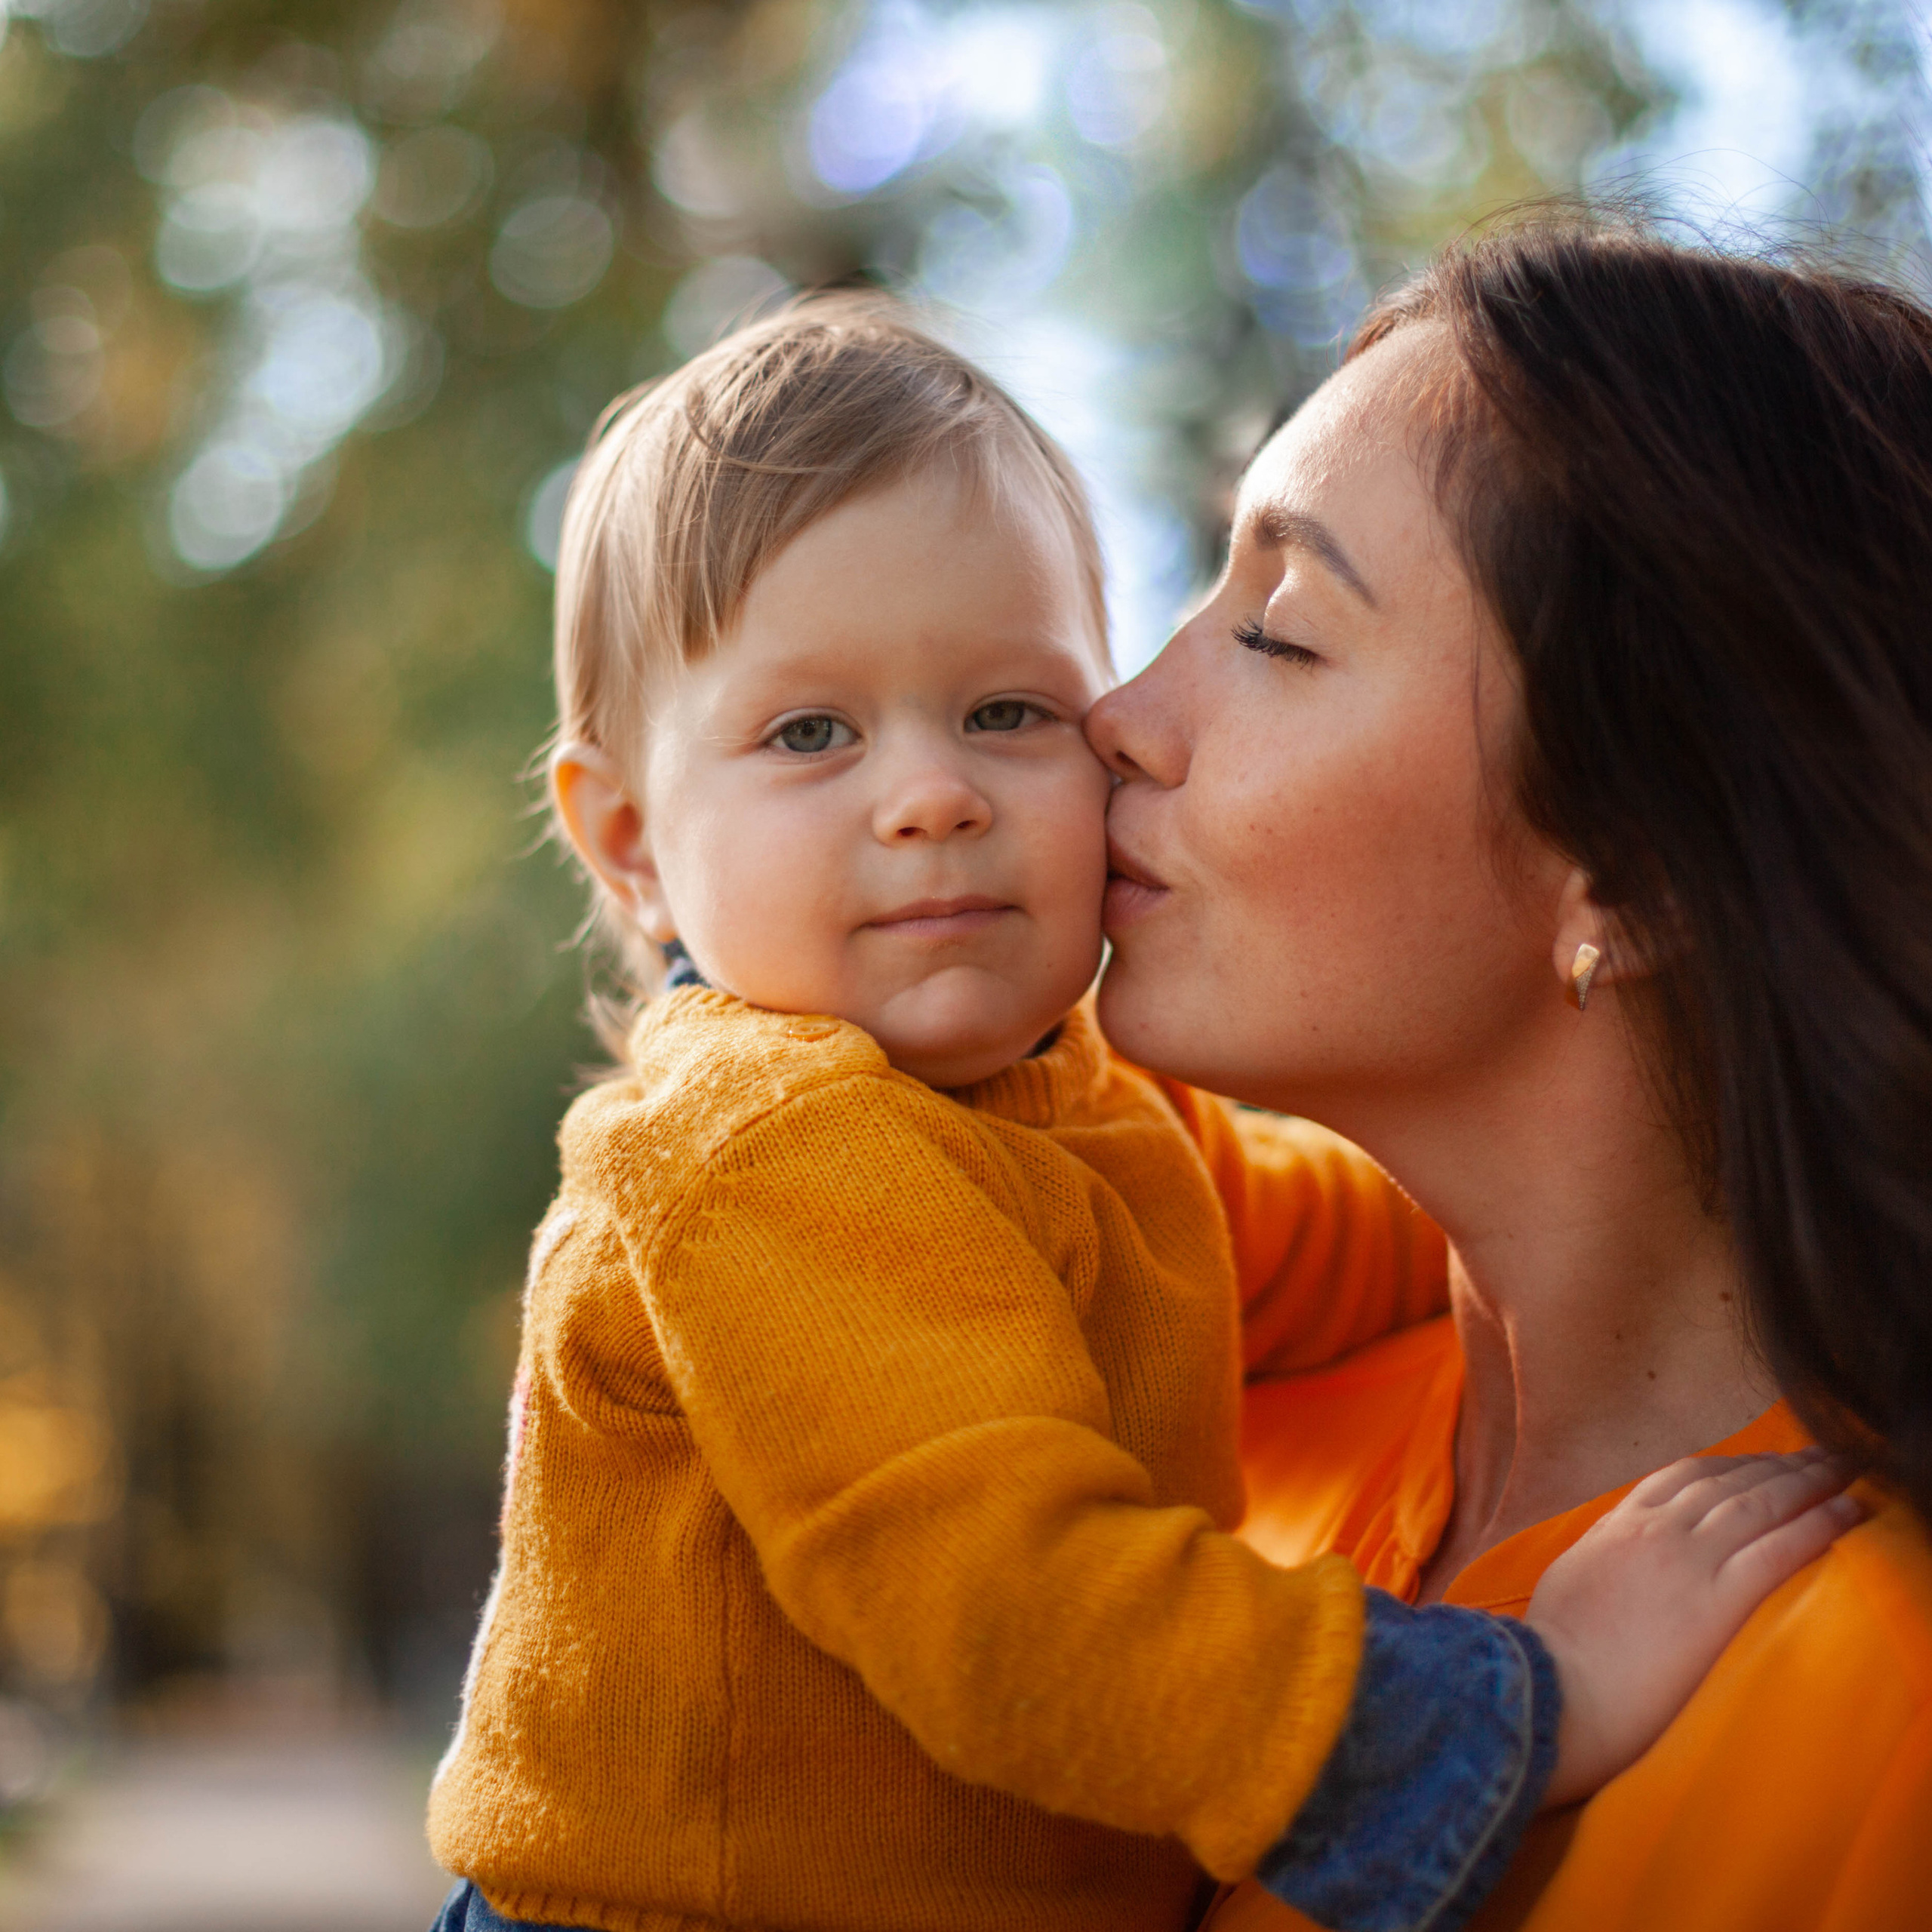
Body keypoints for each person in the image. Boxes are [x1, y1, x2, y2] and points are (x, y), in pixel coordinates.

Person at [421, 296, 1851, 1932]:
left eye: (1008, 711)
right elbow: (1019, 1608)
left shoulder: (1059, 1113)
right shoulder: (765, 1148)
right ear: (627, 840)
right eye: (809, 731)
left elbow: (1335, 1246)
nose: (933, 792)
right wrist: (1528, 1696)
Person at [1084, 214, 1932, 1932]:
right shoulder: (1168, 1488)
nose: (1116, 709)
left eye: (1279, 633)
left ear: (1630, 867)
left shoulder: (1888, 1718)